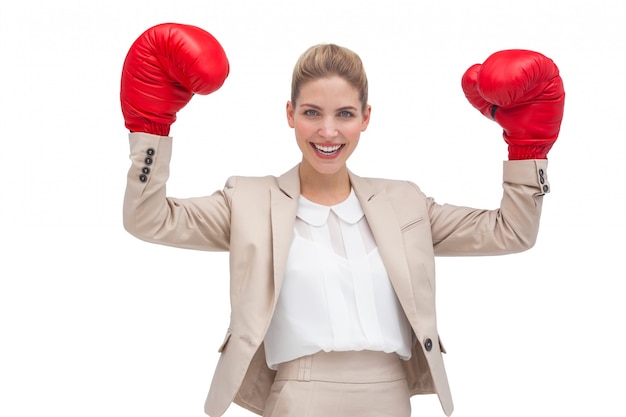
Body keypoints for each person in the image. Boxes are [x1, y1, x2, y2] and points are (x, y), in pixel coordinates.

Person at [120, 23, 564, 417]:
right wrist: (151, 129)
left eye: (345, 114)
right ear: (290, 114)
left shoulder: (405, 202)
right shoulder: (248, 200)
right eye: (312, 112)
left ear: (365, 118)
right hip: (299, 394)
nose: (328, 132)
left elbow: (513, 232)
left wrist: (529, 149)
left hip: (391, 394)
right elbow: (149, 219)